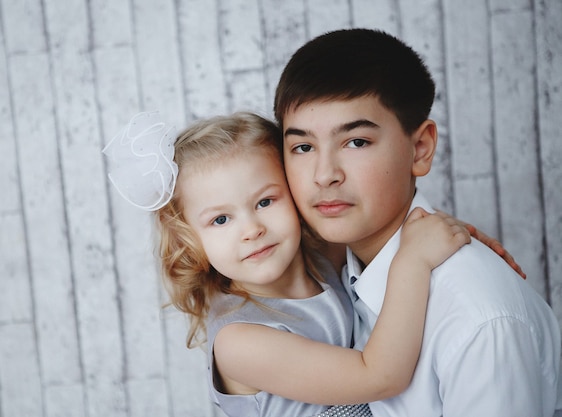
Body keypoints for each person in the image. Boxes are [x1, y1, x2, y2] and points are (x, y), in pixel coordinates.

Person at [103, 111, 472, 417]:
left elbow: (391, 233)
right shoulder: (240, 342)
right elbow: (381, 376)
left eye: (265, 202)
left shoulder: (320, 256)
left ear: (295, 192)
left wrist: (457, 243)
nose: (251, 229)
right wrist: (415, 261)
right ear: (189, 238)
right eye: (220, 220)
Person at [274, 28, 561, 416]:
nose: (324, 175)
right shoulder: (327, 269)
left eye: (356, 142)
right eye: (303, 147)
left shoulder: (477, 319)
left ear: (420, 149)